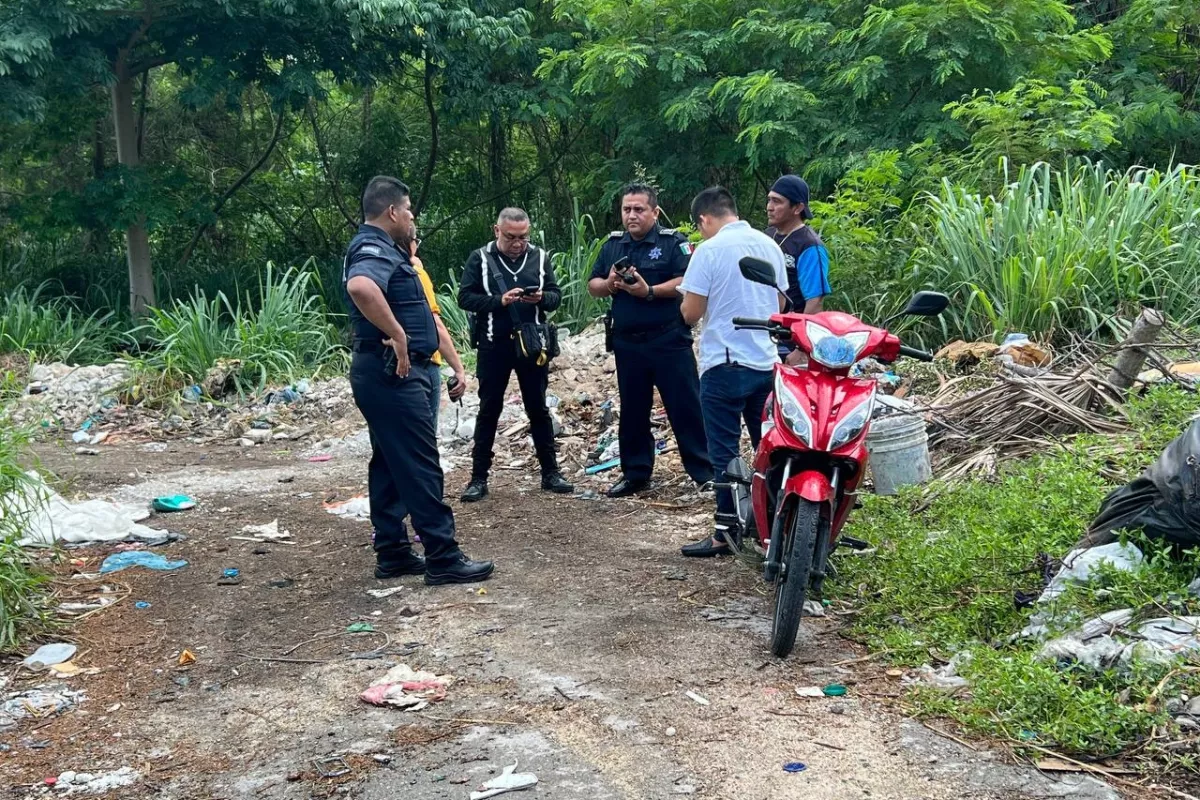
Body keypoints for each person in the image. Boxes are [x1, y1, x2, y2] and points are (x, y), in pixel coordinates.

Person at [342, 175, 493, 585]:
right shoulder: (373, 248)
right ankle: (443, 556)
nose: (412, 218)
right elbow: (360, 286)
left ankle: (393, 552)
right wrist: (398, 335)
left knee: (391, 463)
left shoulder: (389, 251)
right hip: (392, 374)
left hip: (387, 373)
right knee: (421, 465)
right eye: (408, 210)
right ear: (392, 211)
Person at [677, 186, 788, 557]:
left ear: (704, 219)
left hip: (724, 363)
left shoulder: (707, 251)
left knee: (724, 452)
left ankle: (726, 531)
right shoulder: (769, 245)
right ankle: (774, 524)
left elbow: (691, 313)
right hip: (766, 364)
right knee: (768, 448)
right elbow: (780, 303)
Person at [587, 182, 712, 497]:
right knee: (633, 411)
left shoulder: (673, 243)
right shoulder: (613, 245)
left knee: (685, 407)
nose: (632, 215)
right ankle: (636, 474)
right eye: (627, 209)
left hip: (668, 339)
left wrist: (650, 291)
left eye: (639, 209)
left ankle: (705, 473)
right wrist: (611, 283)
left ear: (654, 212)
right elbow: (593, 284)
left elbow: (689, 279)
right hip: (628, 343)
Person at [456, 207, 574, 502]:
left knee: (538, 408)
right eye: (511, 237)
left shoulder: (540, 257)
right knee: (489, 410)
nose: (518, 243)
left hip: (533, 344)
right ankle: (478, 478)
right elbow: (465, 297)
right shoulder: (480, 258)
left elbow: (556, 296)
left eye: (523, 237)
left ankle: (551, 472)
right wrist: (499, 301)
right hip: (493, 345)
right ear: (496, 231)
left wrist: (540, 298)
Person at [408, 228, 468, 432]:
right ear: (410, 243)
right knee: (424, 439)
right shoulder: (414, 273)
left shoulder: (375, 270)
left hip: (385, 363)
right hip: (423, 362)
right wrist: (458, 369)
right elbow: (434, 324)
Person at [765, 175, 830, 316]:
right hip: (761, 327)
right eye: (769, 200)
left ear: (798, 208)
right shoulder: (767, 236)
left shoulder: (810, 246)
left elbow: (815, 302)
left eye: (777, 202)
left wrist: (796, 334)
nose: (769, 207)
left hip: (788, 333)